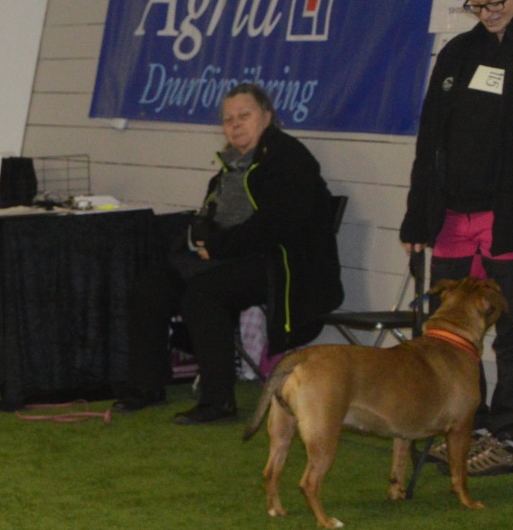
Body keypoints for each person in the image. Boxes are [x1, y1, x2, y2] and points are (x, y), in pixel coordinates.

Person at [402, 0, 513, 478]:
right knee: (448, 332)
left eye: (496, 3)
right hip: (451, 219)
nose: (486, 14)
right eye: (476, 4)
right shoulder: (458, 54)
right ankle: (467, 427)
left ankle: (505, 439)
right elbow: (430, 141)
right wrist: (417, 217)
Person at [115, 83, 343, 423]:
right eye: (228, 120)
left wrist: (218, 246)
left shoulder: (289, 159)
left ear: (267, 116)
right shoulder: (231, 163)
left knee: (203, 295)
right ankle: (146, 386)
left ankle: (218, 400)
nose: (235, 125)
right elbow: (212, 214)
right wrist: (200, 239)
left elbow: (275, 227)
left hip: (281, 262)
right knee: (150, 287)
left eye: (244, 116)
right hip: (229, 255)